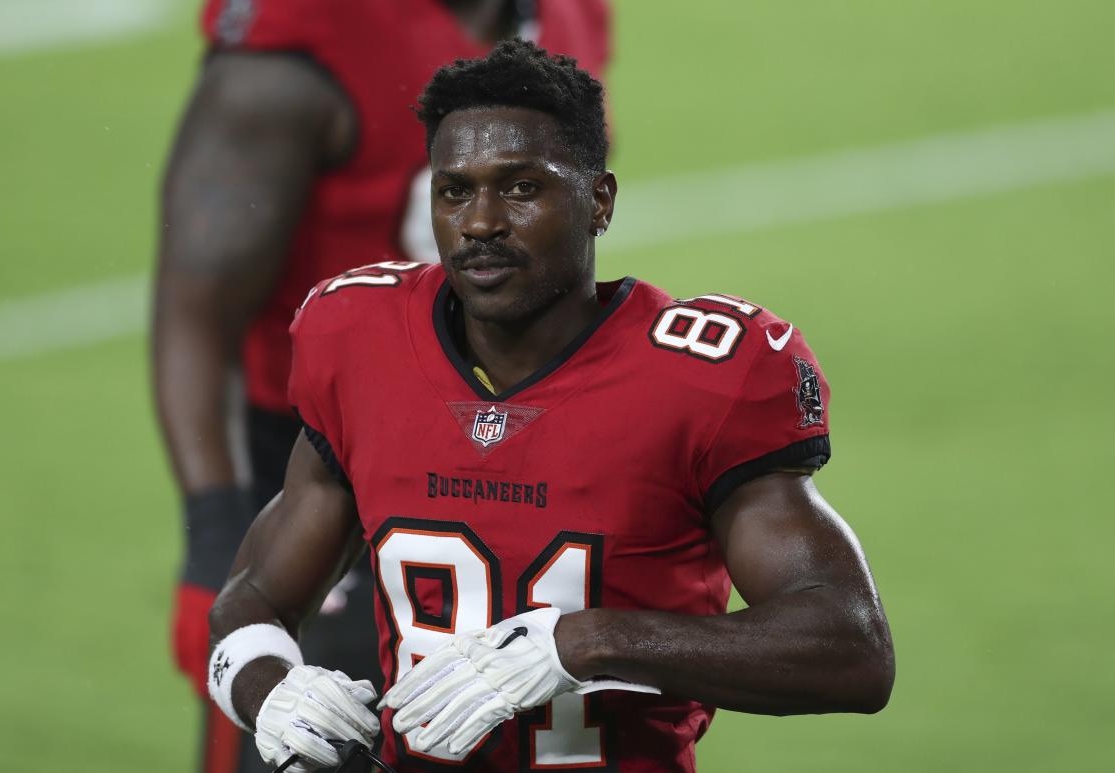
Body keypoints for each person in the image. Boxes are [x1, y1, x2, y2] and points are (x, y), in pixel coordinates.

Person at [205, 40, 895, 773]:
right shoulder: (357, 341)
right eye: (455, 190)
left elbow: (851, 649)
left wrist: (587, 642)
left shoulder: (701, 377)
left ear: (599, 201)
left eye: (522, 188)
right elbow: (252, 599)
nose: (480, 222)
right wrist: (269, 689)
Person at [152, 2, 610, 770]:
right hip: (326, 462)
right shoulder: (304, 43)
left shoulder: (570, 17)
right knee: (307, 737)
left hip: (518, 455)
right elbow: (196, 313)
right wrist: (214, 538)